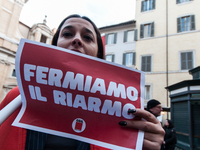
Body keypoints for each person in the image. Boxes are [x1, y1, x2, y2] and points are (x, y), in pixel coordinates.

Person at [0, 14, 164, 150]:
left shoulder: (120, 110)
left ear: (98, 55)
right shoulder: (16, 97)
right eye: (67, 34)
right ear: (54, 46)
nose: (77, 40)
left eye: (87, 37)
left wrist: (148, 144)